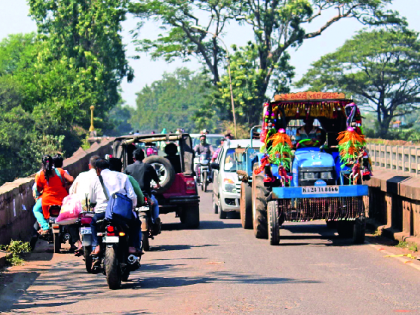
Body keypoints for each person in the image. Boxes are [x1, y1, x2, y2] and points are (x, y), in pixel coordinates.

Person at [89, 159, 139, 255]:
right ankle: (131, 246)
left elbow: (92, 200)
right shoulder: (123, 177)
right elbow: (132, 196)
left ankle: (97, 245)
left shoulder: (95, 180)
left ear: (97, 169)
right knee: (136, 223)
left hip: (102, 213)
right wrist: (131, 208)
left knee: (93, 224)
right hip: (121, 213)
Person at [124, 149, 161, 233]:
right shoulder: (148, 167)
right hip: (146, 196)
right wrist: (157, 185)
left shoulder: (128, 168)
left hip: (132, 197)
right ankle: (155, 221)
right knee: (155, 204)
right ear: (143, 157)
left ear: (133, 158)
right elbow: (156, 180)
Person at [35, 155, 74, 234]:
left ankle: (45, 226)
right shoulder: (59, 171)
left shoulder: (39, 175)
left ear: (42, 164)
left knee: (36, 210)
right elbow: (71, 179)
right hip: (62, 199)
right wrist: (66, 185)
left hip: (47, 201)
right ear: (53, 163)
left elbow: (39, 189)